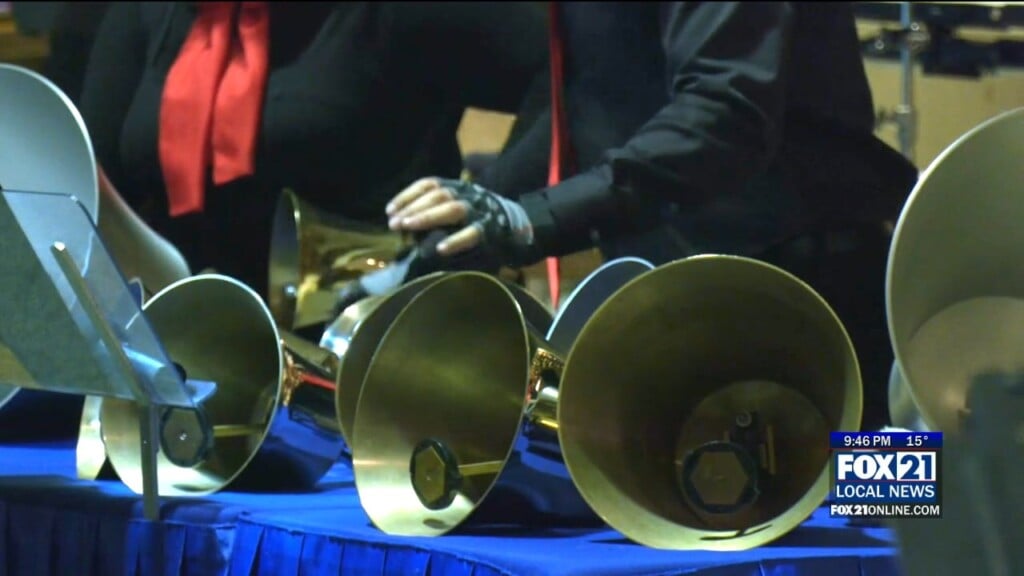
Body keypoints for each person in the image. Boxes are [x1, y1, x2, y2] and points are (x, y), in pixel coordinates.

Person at [383, 2, 919, 432]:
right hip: (691, 311)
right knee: (691, 556)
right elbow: (587, 98)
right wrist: (479, 223)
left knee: (890, 533)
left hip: (817, 302)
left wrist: (530, 219)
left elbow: (724, 116)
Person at [78, 1, 547, 297]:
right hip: (188, 330)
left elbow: (565, 74)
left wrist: (496, 209)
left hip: (365, 330)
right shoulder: (153, 11)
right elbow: (94, 178)